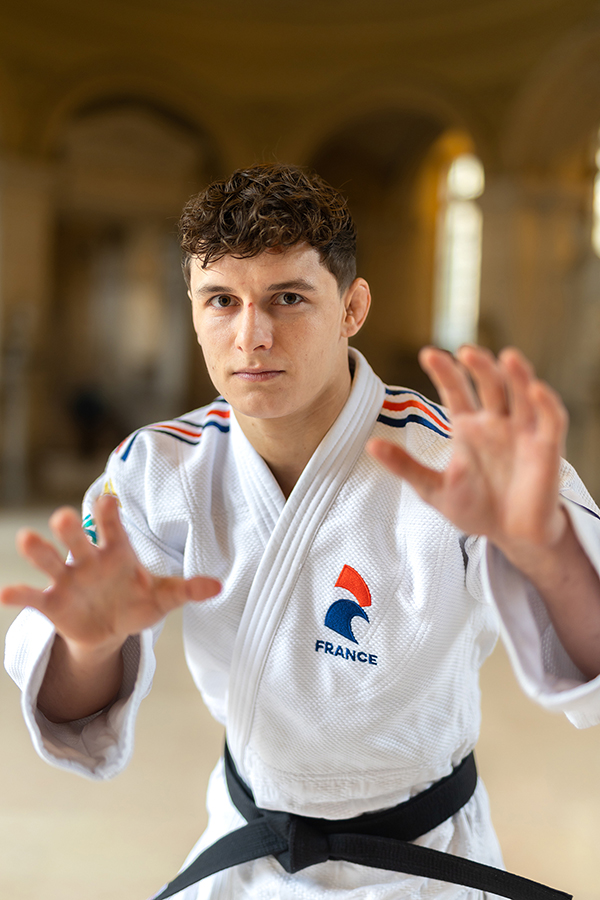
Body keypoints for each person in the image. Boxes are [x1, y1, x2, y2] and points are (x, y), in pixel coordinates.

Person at [4, 163, 600, 900]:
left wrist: (547, 553)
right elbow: (71, 706)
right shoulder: (159, 470)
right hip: (247, 849)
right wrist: (91, 644)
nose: (251, 337)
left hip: (427, 858)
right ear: (192, 308)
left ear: (353, 307)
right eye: (222, 300)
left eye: (288, 298)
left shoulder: (456, 465)